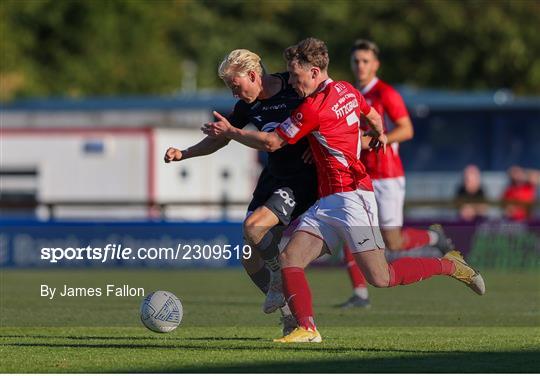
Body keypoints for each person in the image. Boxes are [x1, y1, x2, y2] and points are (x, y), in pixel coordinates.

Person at [203, 37, 485, 343]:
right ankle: (306, 328)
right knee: (289, 259)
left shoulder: (312, 107)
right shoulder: (348, 90)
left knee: (381, 277)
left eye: (296, 78)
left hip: (352, 197)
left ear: (314, 72)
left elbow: (271, 142)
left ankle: (450, 265)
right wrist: (378, 135)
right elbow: (373, 116)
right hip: (327, 200)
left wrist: (232, 131)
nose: (294, 86)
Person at [164, 49, 318, 335]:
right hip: (273, 176)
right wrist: (183, 153)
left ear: (252, 75)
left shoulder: (296, 86)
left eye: (236, 86)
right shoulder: (249, 105)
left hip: (302, 179)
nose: (235, 95)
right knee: (249, 256)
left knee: (254, 226)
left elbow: (327, 113)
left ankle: (278, 281)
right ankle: (289, 317)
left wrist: (318, 146)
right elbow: (222, 138)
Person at [337, 39, 454, 309]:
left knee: (393, 242)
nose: (360, 66)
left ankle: (434, 238)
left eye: (366, 61)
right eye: (356, 61)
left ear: (376, 64)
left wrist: (379, 139)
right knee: (350, 229)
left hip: (387, 175)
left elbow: (407, 129)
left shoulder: (386, 93)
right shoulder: (349, 95)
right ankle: (360, 295)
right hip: (359, 174)